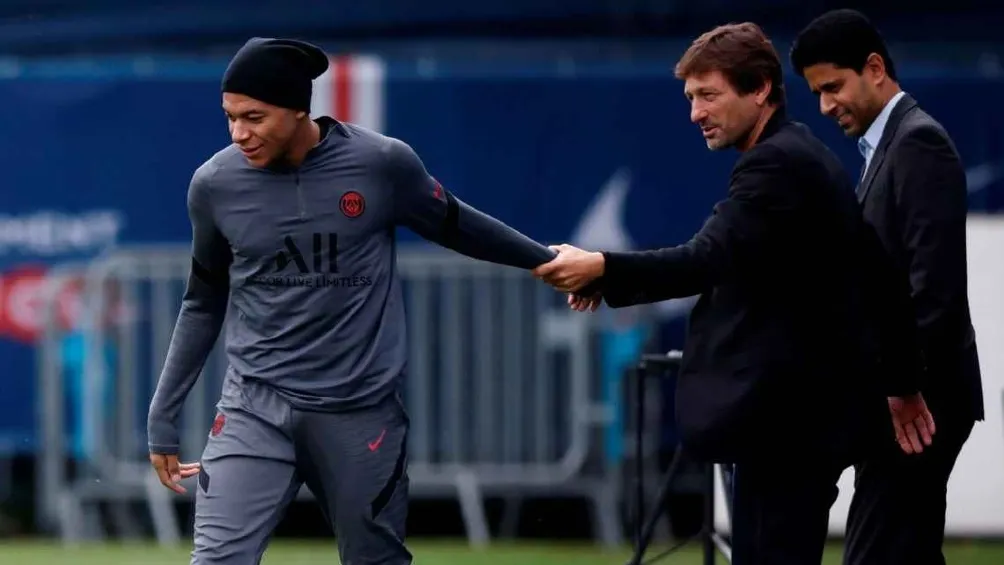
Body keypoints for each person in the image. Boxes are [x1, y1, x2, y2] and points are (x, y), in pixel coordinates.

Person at [533, 22, 936, 565]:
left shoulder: (778, 163)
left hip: (788, 433)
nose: (696, 112)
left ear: (761, 89)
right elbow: (877, 272)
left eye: (708, 95)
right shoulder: (796, 156)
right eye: (691, 97)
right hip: (796, 429)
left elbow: (704, 259)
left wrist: (602, 268)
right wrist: (903, 382)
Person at [146, 37, 557, 565]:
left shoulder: (381, 163)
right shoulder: (213, 184)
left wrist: (543, 261)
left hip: (361, 411)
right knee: (216, 560)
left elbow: (456, 223)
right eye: (229, 117)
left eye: (254, 117)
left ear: (299, 110)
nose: (238, 134)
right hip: (254, 407)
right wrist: (163, 415)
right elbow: (202, 301)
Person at [790, 10, 984, 565]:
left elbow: (935, 291)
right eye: (817, 93)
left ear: (874, 68)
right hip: (906, 396)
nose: (826, 106)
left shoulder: (918, 144)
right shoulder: (890, 145)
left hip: (921, 403)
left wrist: (902, 389)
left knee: (879, 553)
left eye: (833, 87)